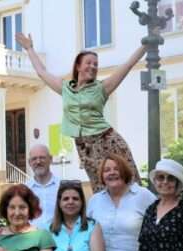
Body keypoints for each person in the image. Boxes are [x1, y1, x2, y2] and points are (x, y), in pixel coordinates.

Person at [16, 32, 146, 191]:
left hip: (107, 141)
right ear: (78, 66)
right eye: (89, 63)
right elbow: (42, 72)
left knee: (130, 185)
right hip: (85, 147)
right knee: (100, 188)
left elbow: (127, 65)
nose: (93, 66)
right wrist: (29, 48)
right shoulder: (65, 88)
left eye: (96, 64)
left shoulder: (102, 88)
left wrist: (145, 45)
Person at [25, 144, 60, 229]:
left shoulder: (62, 187)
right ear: (29, 163)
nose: (38, 162)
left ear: (50, 159)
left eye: (42, 158)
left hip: (58, 238)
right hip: (32, 239)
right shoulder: (24, 190)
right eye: (34, 159)